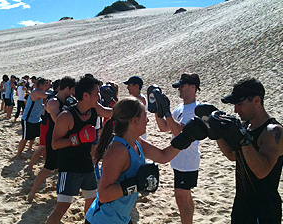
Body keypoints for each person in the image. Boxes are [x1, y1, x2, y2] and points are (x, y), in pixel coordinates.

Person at [85, 97, 209, 224]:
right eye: (145, 116)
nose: (148, 120)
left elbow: (163, 156)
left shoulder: (136, 142)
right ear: (134, 120)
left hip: (121, 218)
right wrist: (136, 184)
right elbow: (104, 195)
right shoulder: (118, 150)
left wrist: (186, 137)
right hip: (102, 220)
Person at [207, 78, 283, 224]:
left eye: (240, 104)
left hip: (263, 211)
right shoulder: (245, 126)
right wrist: (216, 133)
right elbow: (232, 155)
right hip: (241, 206)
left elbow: (261, 171)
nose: (235, 110)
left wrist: (243, 139)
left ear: (256, 100)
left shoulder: (273, 132)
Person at [46, 75, 114, 224]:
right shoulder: (66, 116)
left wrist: (121, 106)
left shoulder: (95, 109)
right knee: (61, 209)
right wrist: (77, 138)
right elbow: (54, 144)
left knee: (92, 205)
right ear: (85, 95)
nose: (99, 97)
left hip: (87, 166)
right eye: (97, 94)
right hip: (69, 168)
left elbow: (110, 113)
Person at [152, 73, 201, 224]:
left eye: (182, 86)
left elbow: (180, 131)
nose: (179, 88)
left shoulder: (197, 109)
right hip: (179, 160)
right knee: (185, 197)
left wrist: (166, 112)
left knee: (181, 198)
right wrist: (158, 110)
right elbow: (164, 127)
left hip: (187, 160)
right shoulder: (180, 108)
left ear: (193, 87)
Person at [27, 77, 76, 202]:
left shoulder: (69, 100)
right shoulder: (53, 101)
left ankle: (62, 194)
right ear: (67, 88)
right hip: (55, 138)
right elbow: (58, 121)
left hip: (66, 138)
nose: (73, 92)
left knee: (65, 167)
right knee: (49, 166)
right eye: (72, 89)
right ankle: (32, 192)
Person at [17, 77, 49, 158]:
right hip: (28, 119)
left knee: (34, 136)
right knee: (25, 138)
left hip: (36, 119)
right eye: (46, 85)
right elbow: (47, 96)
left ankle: (30, 148)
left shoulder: (39, 92)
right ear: (41, 85)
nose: (47, 86)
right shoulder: (36, 92)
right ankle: (18, 154)